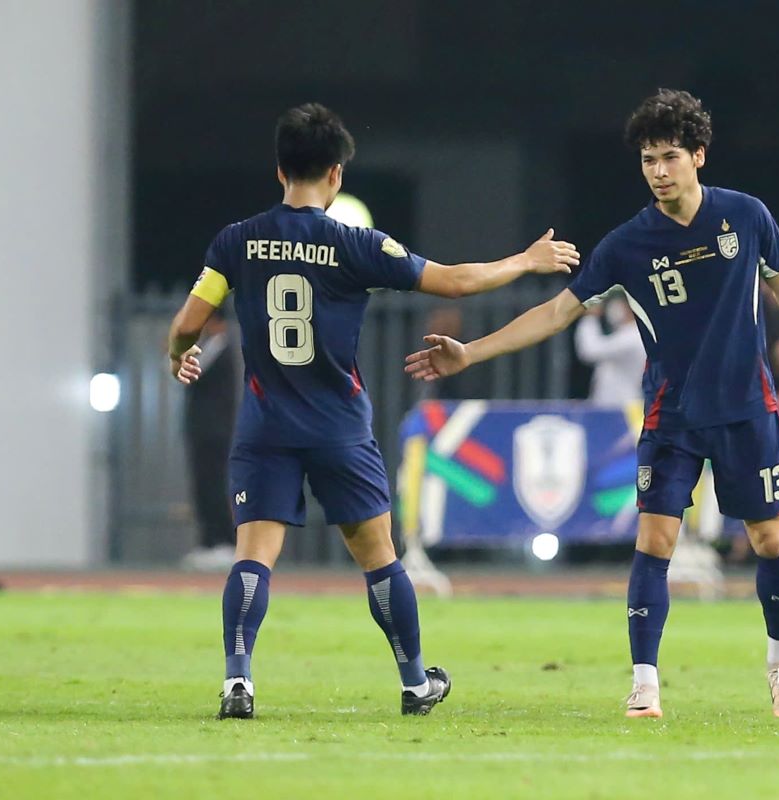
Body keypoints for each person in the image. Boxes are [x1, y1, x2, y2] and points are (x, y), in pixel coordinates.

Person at [405, 89, 779, 719]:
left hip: (746, 409)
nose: (658, 170)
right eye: (648, 159)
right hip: (672, 417)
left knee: (769, 540)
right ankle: (645, 684)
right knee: (655, 542)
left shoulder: (745, 216)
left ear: (698, 156)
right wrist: (470, 352)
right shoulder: (628, 244)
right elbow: (556, 312)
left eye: (670, 156)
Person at [167, 103, 580, 720]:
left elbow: (188, 323)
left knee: (252, 556)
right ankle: (414, 682)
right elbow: (456, 281)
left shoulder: (236, 241)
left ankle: (238, 681)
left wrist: (180, 354)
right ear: (336, 173)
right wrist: (525, 261)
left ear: (280, 170)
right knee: (379, 558)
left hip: (265, 425)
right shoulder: (355, 244)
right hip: (338, 427)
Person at [181, 313, 239, 571]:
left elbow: (190, 371)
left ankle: (224, 542)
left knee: (215, 485)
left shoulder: (220, 348)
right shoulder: (209, 348)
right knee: (203, 485)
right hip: (202, 431)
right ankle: (208, 542)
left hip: (215, 432)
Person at [574, 294, 647, 406]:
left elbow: (590, 351)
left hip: (621, 404)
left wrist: (590, 317)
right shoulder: (626, 333)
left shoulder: (633, 335)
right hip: (614, 402)